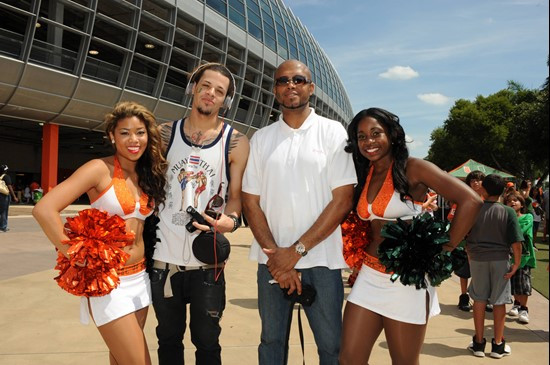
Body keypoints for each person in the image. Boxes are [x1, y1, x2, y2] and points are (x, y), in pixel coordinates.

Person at [338, 108, 482, 365]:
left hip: (405, 282)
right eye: (361, 137)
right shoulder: (363, 172)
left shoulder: (414, 167)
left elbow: (470, 200)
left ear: (392, 135)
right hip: (368, 277)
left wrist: (445, 247)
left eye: (375, 133)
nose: (368, 142)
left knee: (403, 361)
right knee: (349, 359)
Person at [32, 101, 167, 364]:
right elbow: (44, 209)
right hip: (109, 285)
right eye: (124, 132)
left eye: (140, 132)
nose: (133, 139)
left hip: (139, 279)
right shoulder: (98, 168)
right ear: (111, 136)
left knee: (119, 359)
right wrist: (74, 254)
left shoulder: (146, 172)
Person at [242, 59, 357, 365]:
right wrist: (277, 258)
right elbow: (250, 202)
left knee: (332, 348)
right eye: (283, 80)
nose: (290, 85)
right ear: (275, 89)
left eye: (298, 79)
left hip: (322, 261)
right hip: (271, 262)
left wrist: (295, 252)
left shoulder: (333, 132)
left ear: (311, 87)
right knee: (271, 343)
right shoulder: (262, 138)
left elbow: (343, 199)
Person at [151, 62, 249, 365]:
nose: (210, 94)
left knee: (207, 344)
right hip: (163, 261)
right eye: (205, 86)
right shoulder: (165, 134)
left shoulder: (236, 142)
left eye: (219, 91)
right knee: (168, 340)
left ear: (226, 101)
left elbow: (236, 198)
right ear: (193, 88)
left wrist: (229, 222)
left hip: (208, 265)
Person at [465, 174, 522, 359]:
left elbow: (463, 234)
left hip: (478, 258)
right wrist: (516, 263)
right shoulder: (508, 211)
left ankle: (479, 343)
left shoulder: (473, 209)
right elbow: (516, 242)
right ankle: (498, 345)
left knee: (479, 299)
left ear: (483, 188)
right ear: (504, 190)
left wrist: (469, 253)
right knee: (499, 301)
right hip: (500, 259)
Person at [503, 191, 536, 324]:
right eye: (509, 201)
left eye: (516, 200)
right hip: (508, 257)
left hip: (524, 258)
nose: (512, 202)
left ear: (522, 204)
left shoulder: (528, 217)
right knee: (514, 284)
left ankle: (524, 309)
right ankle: (516, 304)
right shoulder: (504, 218)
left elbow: (519, 231)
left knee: (524, 284)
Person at [456, 170, 486, 312]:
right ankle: (464, 296)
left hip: (484, 241)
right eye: (473, 180)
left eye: (478, 180)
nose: (475, 182)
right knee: (464, 271)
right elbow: (454, 217)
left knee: (481, 271)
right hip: (466, 241)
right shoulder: (463, 197)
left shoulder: (489, 199)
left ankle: (481, 298)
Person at [1, 164, 19, 232]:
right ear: (5, 170)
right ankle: (3, 226)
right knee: (4, 211)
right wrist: (14, 196)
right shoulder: (6, 176)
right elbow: (10, 187)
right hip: (4, 195)